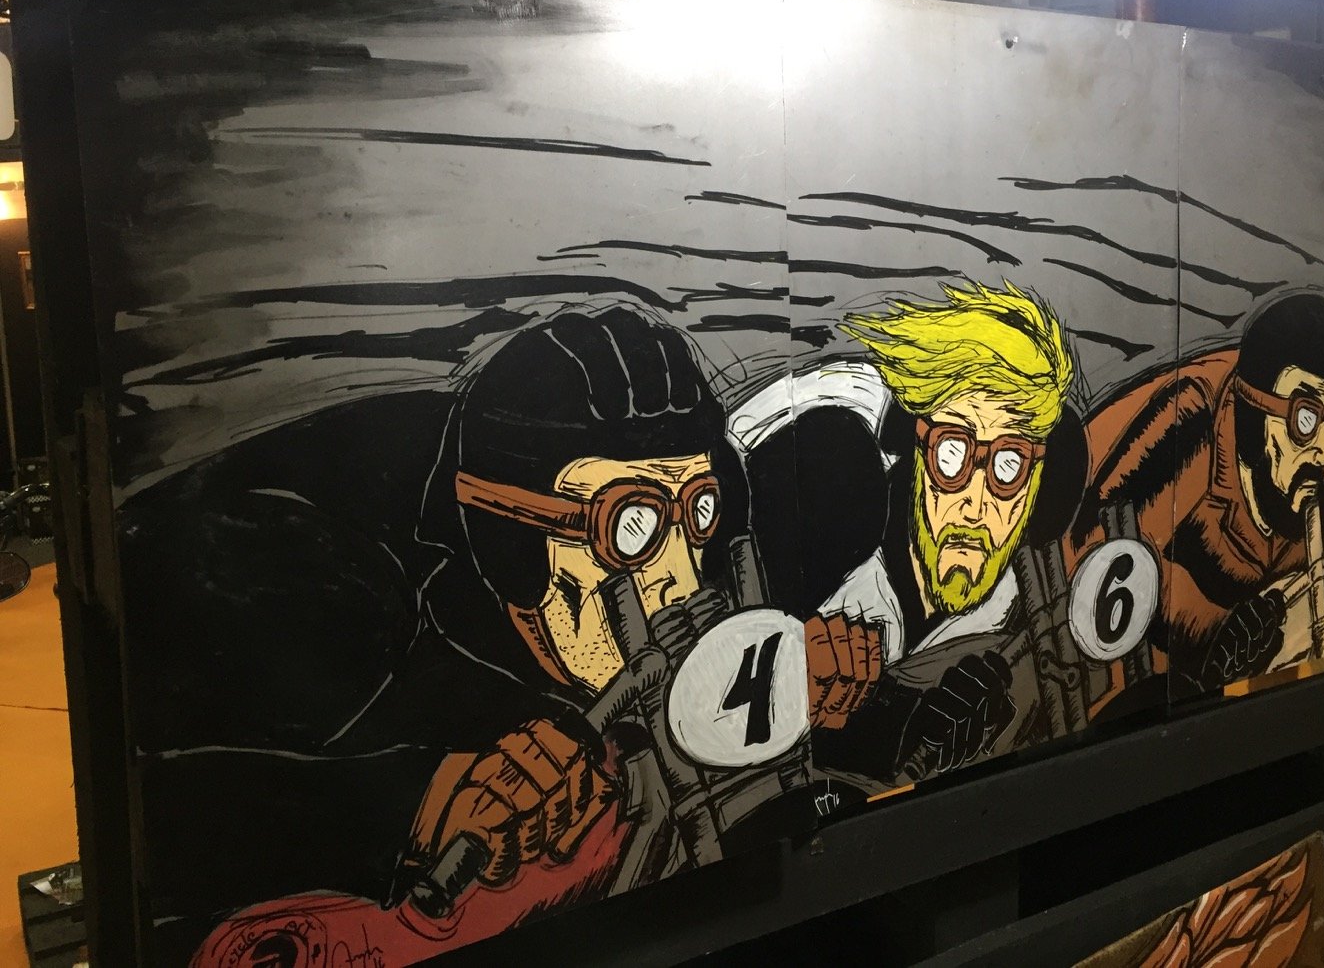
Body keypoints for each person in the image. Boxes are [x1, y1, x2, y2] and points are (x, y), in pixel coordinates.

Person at [129, 305, 879, 964]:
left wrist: (792, 671)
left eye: (696, 512)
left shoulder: (744, 531)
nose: (676, 578)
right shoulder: (322, 587)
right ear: (512, 542)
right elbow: (167, 798)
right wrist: (423, 800)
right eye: (632, 526)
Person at [739, 282, 1078, 783]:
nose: (976, 506)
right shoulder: (823, 566)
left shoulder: (1028, 611)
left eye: (1008, 464)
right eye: (952, 454)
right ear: (914, 452)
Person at [1068, 292, 1324, 692]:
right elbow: (1093, 562)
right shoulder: (1186, 431)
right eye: (1304, 418)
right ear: (1251, 410)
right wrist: (1212, 628)